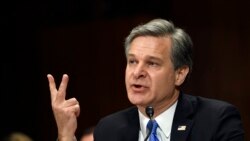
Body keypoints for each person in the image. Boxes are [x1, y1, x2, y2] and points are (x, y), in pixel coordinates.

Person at [47, 18, 245, 141]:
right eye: (132, 61)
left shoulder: (216, 120)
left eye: (152, 63)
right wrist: (66, 135)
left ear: (180, 74)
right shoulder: (110, 129)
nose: (137, 72)